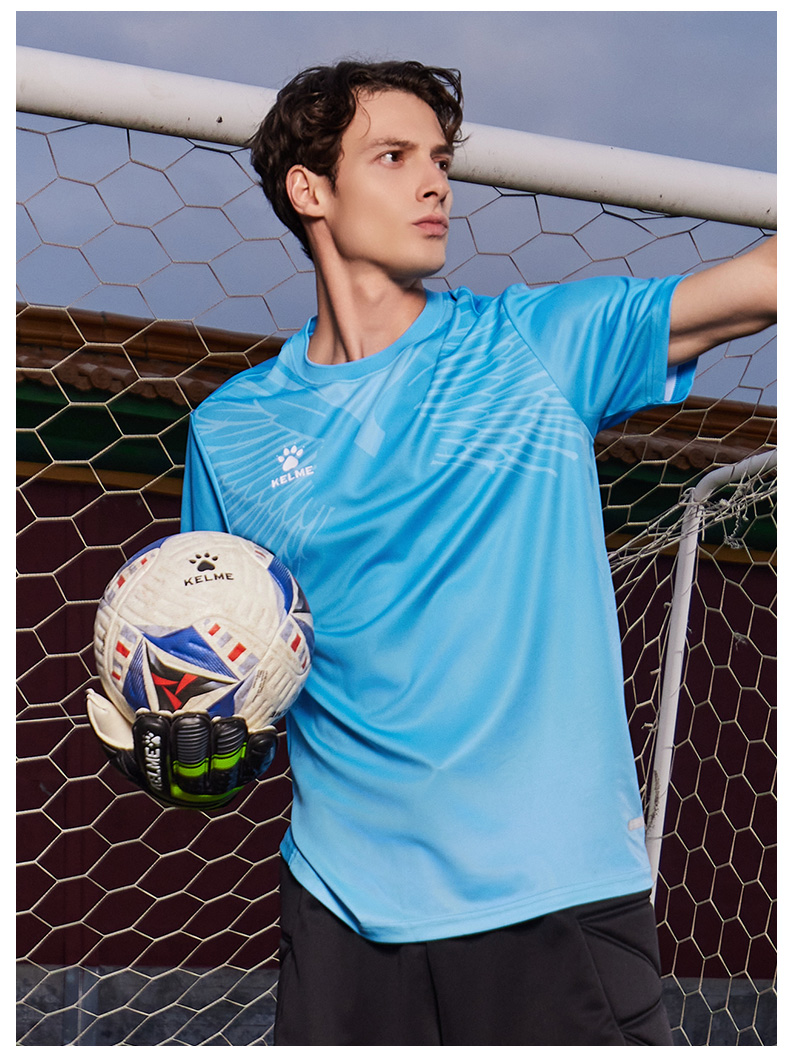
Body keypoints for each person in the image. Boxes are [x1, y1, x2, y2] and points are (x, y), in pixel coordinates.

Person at [180, 60, 777, 1045]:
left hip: (550, 900)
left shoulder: (534, 347)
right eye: (394, 156)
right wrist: (196, 750)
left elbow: (762, 282)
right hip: (340, 915)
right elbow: (236, 681)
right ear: (309, 189)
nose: (435, 183)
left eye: (440, 160)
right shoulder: (232, 433)